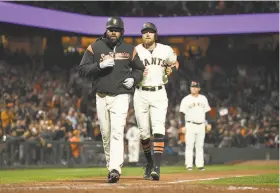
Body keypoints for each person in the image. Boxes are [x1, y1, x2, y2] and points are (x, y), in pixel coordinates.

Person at [78, 17, 145, 183]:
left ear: (122, 32)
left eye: (116, 30)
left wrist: (134, 80)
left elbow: (140, 69)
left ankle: (115, 168)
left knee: (116, 132)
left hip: (121, 95)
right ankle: (111, 166)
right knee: (106, 134)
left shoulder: (130, 49)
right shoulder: (95, 47)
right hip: (101, 95)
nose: (113, 32)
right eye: (110, 29)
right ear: (106, 30)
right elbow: (82, 69)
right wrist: (98, 66)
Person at [134, 22, 179, 181]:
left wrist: (171, 68)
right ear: (141, 35)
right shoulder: (135, 51)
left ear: (155, 35)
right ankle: (149, 162)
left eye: (150, 32)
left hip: (159, 93)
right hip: (140, 94)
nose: (147, 34)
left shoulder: (165, 49)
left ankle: (157, 168)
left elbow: (175, 61)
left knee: (158, 129)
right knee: (144, 133)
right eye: (144, 32)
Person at [179, 80, 211, 171]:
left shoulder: (203, 98)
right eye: (192, 87)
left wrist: (207, 123)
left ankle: (200, 165)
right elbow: (181, 113)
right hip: (190, 124)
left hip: (201, 124)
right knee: (189, 145)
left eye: (195, 87)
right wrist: (182, 125)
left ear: (199, 89)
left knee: (200, 146)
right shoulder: (186, 99)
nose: (193, 88)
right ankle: (189, 165)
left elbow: (207, 112)